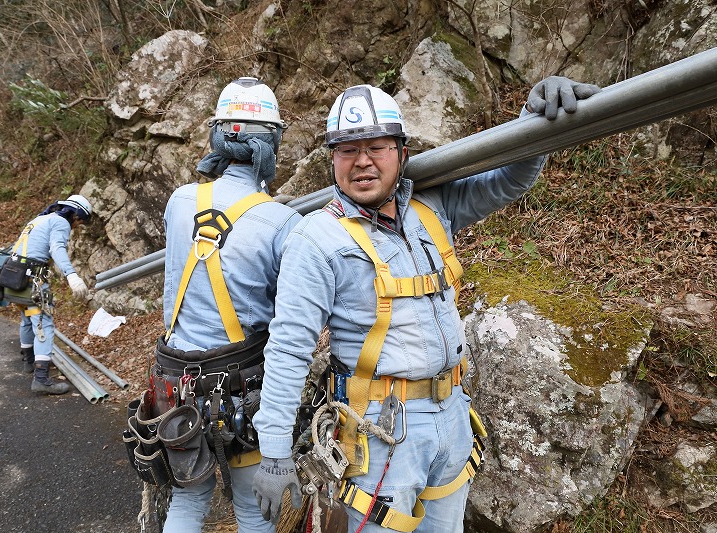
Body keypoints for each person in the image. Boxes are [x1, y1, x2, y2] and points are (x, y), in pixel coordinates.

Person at [251, 76, 601, 531]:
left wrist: (533, 121)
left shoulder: (431, 209)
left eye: (376, 147)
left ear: (401, 151)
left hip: (453, 412)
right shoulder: (315, 240)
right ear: (331, 159)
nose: (362, 162)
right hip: (379, 433)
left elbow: (508, 180)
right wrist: (275, 450)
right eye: (346, 150)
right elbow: (288, 348)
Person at [157, 77, 302, 533]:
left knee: (186, 499)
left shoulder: (181, 202)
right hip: (243, 385)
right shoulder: (283, 222)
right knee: (250, 507)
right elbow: (286, 309)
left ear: (218, 136)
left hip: (174, 381)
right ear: (273, 141)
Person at [10, 194, 92, 394]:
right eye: (80, 221)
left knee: (27, 318)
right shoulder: (60, 222)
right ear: (75, 214)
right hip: (34, 279)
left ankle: (29, 362)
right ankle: (41, 379)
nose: (78, 226)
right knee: (44, 324)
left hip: (13, 278)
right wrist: (71, 275)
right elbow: (57, 248)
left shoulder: (38, 219)